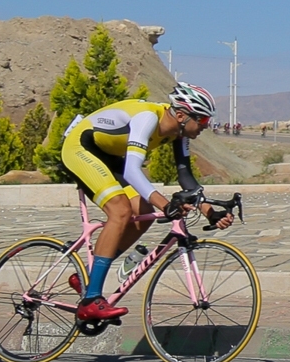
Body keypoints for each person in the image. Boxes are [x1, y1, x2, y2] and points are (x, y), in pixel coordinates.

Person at [60, 82, 233, 322]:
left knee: (143, 215)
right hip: (81, 148)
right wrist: (165, 205)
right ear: (181, 116)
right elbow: (132, 171)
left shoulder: (178, 132)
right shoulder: (147, 118)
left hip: (109, 156)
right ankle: (91, 301)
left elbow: (186, 178)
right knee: (121, 211)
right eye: (202, 120)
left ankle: (88, 277)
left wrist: (210, 212)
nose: (206, 125)